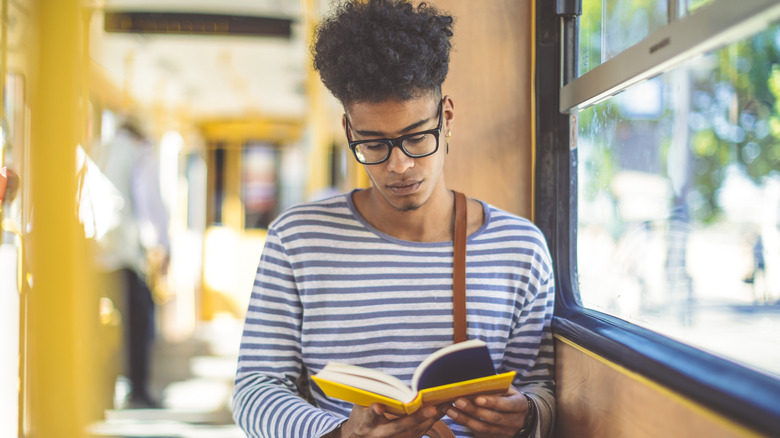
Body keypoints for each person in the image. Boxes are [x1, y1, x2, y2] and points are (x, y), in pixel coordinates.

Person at [232, 1, 555, 437]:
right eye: (373, 144)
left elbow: (541, 385)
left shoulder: (521, 249)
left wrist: (529, 414)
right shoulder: (296, 240)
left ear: (447, 119)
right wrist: (343, 433)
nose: (399, 166)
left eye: (417, 137)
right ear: (349, 132)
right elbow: (255, 388)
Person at [94, 117, 170, 409]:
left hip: (91, 252)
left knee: (96, 325)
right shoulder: (139, 155)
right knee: (138, 323)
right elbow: (148, 202)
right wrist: (161, 244)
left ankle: (99, 393)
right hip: (122, 253)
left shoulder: (97, 148)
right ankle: (137, 389)